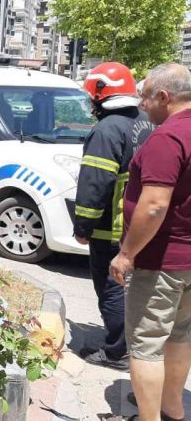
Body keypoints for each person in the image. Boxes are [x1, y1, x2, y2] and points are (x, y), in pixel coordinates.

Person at [109, 63, 191, 421]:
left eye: (144, 96)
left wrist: (126, 254)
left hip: (162, 261)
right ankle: (172, 410)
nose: (141, 104)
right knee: (180, 335)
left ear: (164, 96)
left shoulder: (168, 137)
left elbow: (155, 205)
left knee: (146, 344)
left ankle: (149, 418)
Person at [72, 62, 154, 371]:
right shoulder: (146, 122)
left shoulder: (106, 130)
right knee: (133, 291)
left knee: (111, 288)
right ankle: (128, 342)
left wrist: (83, 227)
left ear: (99, 95)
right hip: (141, 226)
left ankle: (117, 349)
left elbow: (95, 184)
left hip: (111, 229)